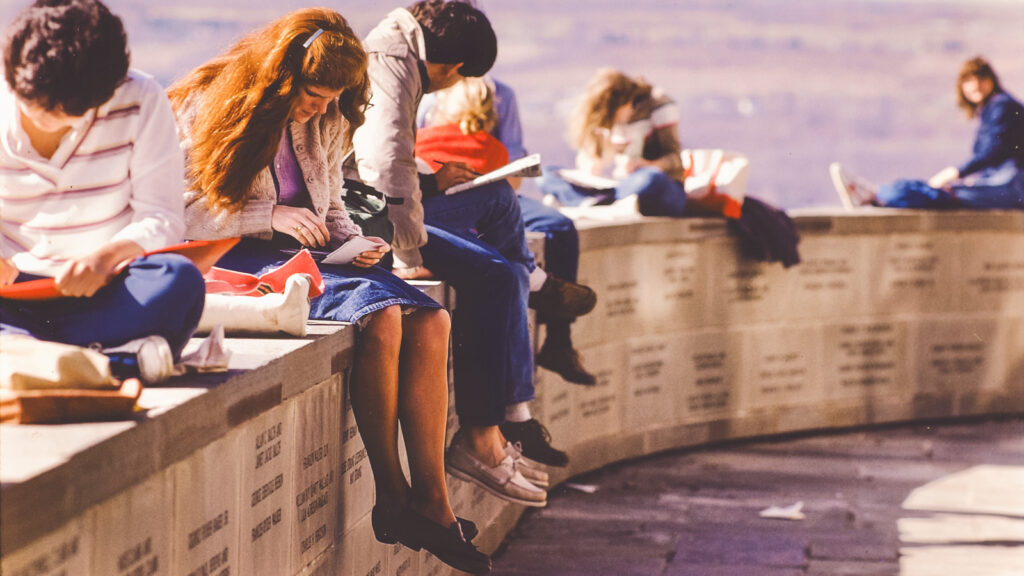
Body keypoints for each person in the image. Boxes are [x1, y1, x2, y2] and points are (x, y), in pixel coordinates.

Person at [167, 9, 489, 573]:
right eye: (313, 95)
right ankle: (391, 496)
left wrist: (356, 241)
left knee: (432, 320)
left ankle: (432, 501)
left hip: (312, 256)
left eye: (331, 97)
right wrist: (269, 215)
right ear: (280, 78)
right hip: (241, 258)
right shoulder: (210, 106)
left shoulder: (328, 117)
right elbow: (183, 214)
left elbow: (331, 203)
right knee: (384, 318)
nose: (322, 108)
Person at [352, 1, 577, 504]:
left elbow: (390, 163)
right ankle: (481, 439)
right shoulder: (392, 61)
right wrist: (408, 252)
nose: (448, 82)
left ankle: (510, 416)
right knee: (497, 278)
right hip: (365, 219)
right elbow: (382, 164)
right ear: (450, 65)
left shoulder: (398, 49)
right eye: (453, 75)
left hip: (381, 205)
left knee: (497, 199)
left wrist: (434, 177)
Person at [0, 0, 205, 384]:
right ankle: (108, 363)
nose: (42, 121)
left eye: (62, 115)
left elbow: (161, 216)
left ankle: (30, 359)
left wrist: (106, 257)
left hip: (103, 289)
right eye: (33, 108)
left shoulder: (141, 98)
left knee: (178, 281)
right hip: (9, 295)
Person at [417, 76, 598, 385]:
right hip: (446, 204)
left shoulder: (499, 94)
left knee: (556, 227)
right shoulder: (422, 90)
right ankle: (537, 284)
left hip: (466, 201)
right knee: (507, 269)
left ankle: (558, 341)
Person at [830, 56, 1024, 210]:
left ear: (991, 80)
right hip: (1006, 182)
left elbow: (992, 152)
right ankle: (877, 192)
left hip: (1010, 184)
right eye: (969, 80)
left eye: (981, 78)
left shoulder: (1002, 106)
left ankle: (877, 194)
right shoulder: (996, 107)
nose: (976, 85)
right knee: (940, 191)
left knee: (942, 194)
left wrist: (955, 173)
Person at [537, 68, 689, 217]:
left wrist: (649, 164)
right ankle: (594, 203)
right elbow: (592, 157)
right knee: (544, 173)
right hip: (618, 187)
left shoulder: (659, 104)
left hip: (660, 189)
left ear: (626, 103)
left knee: (651, 178)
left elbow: (675, 159)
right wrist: (592, 163)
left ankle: (585, 202)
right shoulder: (610, 120)